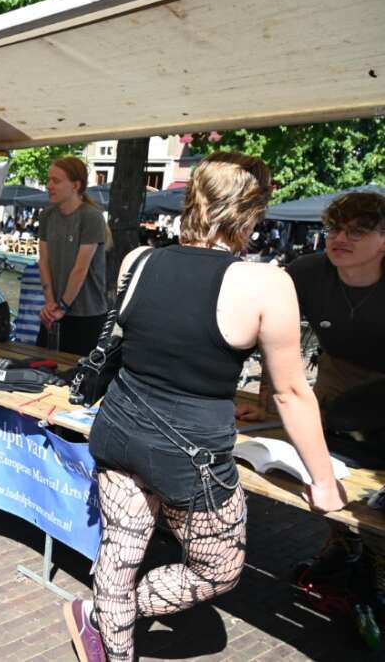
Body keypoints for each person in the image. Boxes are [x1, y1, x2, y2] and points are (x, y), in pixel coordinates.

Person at [65, 153, 347, 662]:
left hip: (120, 426)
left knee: (121, 551)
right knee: (216, 570)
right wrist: (323, 480)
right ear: (252, 209)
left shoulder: (138, 260)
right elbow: (291, 392)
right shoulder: (267, 282)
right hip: (189, 451)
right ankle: (110, 615)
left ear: (192, 199)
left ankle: (108, 621)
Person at [239, 190, 385, 599]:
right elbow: (269, 336)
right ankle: (343, 543)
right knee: (323, 466)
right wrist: (264, 404)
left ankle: (377, 564)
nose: (340, 238)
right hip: (336, 378)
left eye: (357, 231)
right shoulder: (306, 271)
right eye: (335, 228)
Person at [37, 156, 110, 355]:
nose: (49, 185)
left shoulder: (91, 217)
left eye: (56, 181)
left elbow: (80, 269)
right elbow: (43, 262)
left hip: (86, 315)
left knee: (78, 372)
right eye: (49, 180)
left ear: (76, 185)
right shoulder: (47, 216)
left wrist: (61, 307)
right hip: (54, 312)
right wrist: (50, 303)